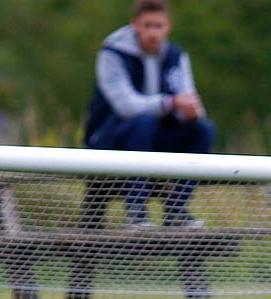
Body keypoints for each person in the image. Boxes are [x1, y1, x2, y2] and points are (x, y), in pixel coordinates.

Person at [83, 0, 215, 228]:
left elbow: (190, 101)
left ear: (169, 27)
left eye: (159, 26)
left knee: (203, 129)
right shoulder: (112, 54)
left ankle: (176, 210)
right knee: (143, 123)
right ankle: (137, 212)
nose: (153, 33)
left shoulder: (175, 56)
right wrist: (171, 103)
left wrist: (190, 112)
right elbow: (126, 106)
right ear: (135, 25)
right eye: (148, 25)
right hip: (111, 141)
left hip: (154, 141)